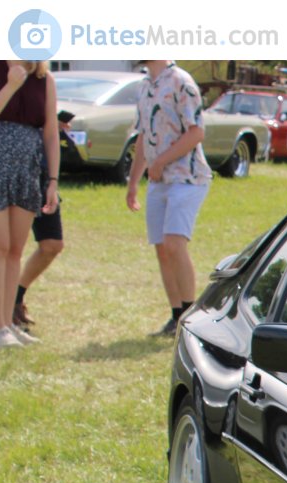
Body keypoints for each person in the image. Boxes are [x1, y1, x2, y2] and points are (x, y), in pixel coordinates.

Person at [125, 59, 212, 337]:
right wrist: (133, 181)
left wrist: (161, 161)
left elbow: (196, 132)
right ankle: (175, 317)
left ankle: (189, 319)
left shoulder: (181, 82)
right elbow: (143, 136)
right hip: (159, 181)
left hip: (187, 178)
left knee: (175, 243)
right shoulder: (144, 86)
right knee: (162, 248)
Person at [0, 60, 58, 348]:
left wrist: (53, 180)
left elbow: (50, 132)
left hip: (27, 169)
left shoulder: (44, 78)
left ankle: (7, 323)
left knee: (15, 250)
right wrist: (11, 85)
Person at [13, 198, 62, 332]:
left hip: (38, 182)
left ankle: (15, 298)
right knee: (6, 249)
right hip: (5, 182)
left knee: (52, 245)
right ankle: (6, 312)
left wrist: (52, 182)